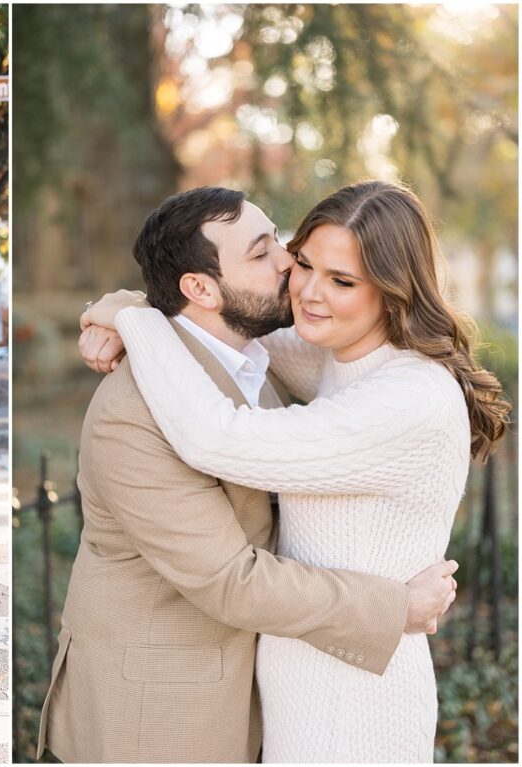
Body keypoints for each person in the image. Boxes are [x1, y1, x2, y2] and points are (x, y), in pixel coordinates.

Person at [79, 181, 511, 762]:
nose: (304, 288)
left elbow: (215, 434)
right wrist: (123, 308)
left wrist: (136, 322)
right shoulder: (339, 355)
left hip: (352, 697)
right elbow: (217, 321)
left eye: (342, 280)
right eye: (302, 260)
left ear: (393, 291)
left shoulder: (405, 399)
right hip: (292, 683)